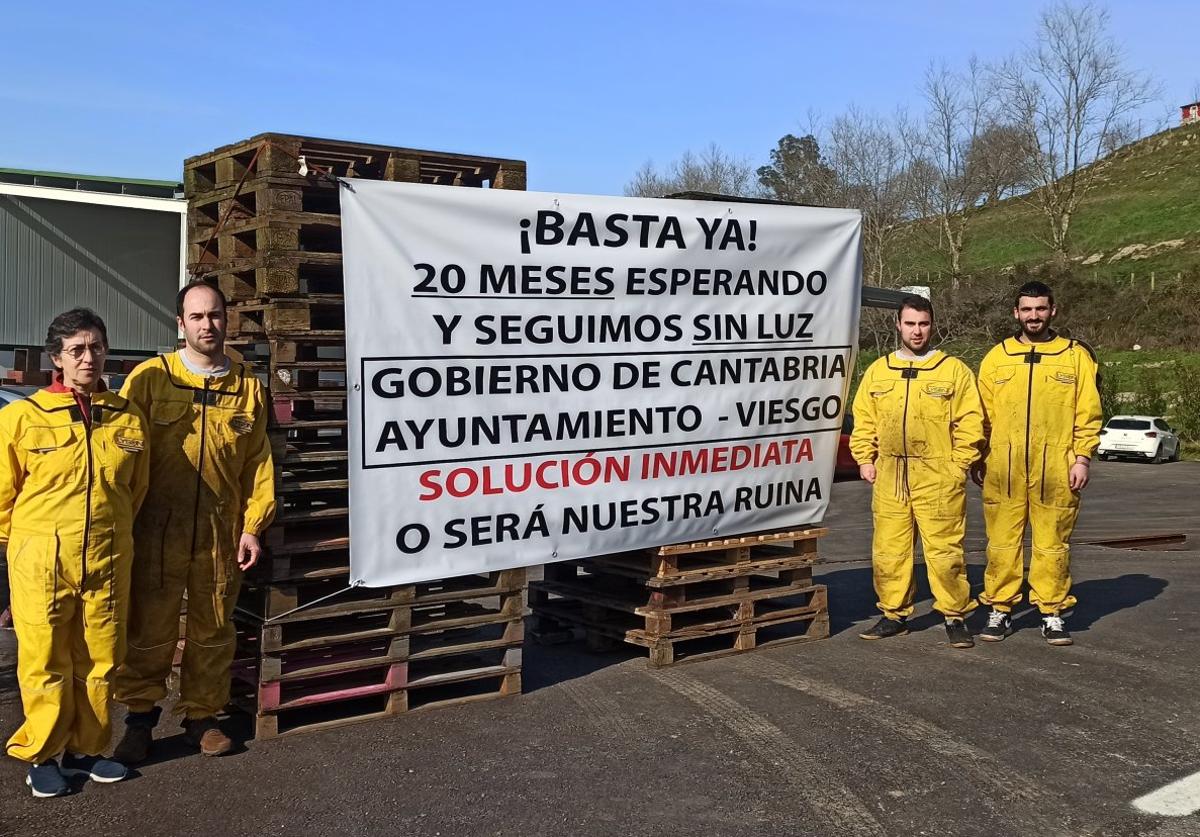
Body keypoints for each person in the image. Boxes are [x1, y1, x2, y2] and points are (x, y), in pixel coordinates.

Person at [113, 282, 275, 760]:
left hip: (219, 530)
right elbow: (118, 453)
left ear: (228, 320)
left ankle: (202, 719)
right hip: (155, 527)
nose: (208, 325)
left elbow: (258, 462)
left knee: (213, 629)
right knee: (149, 628)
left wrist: (252, 525)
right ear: (179, 324)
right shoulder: (149, 379)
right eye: (197, 317)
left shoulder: (246, 386)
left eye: (216, 315)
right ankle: (139, 720)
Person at [0, 309, 149, 797]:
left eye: (97, 347)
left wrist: (113, 533)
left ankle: (86, 749)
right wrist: (13, 559)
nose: (89, 357)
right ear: (57, 359)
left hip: (107, 555)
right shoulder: (22, 417)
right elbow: (2, 497)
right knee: (44, 659)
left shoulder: (127, 417)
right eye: (77, 350)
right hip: (41, 559)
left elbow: (135, 490)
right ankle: (40, 753)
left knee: (101, 658)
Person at [971, 281, 1102, 646]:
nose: (1033, 316)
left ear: (1053, 310)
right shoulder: (997, 356)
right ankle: (1000, 609)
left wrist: (1082, 458)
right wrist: (979, 455)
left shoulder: (1075, 356)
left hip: (1056, 469)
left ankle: (1052, 611)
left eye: (1040, 309)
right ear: (1016, 313)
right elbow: (981, 413)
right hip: (1004, 468)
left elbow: (1087, 412)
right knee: (1001, 544)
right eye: (1026, 309)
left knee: (1052, 545)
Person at [850, 295, 984, 648]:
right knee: (889, 550)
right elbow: (864, 419)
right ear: (898, 325)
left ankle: (954, 615)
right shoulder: (879, 370)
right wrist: (865, 458)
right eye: (910, 323)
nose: (917, 331)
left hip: (938, 475)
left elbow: (971, 422)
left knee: (944, 551)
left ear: (932, 325)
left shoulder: (953, 371)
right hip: (891, 474)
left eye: (923, 323)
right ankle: (894, 614)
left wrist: (958, 465)